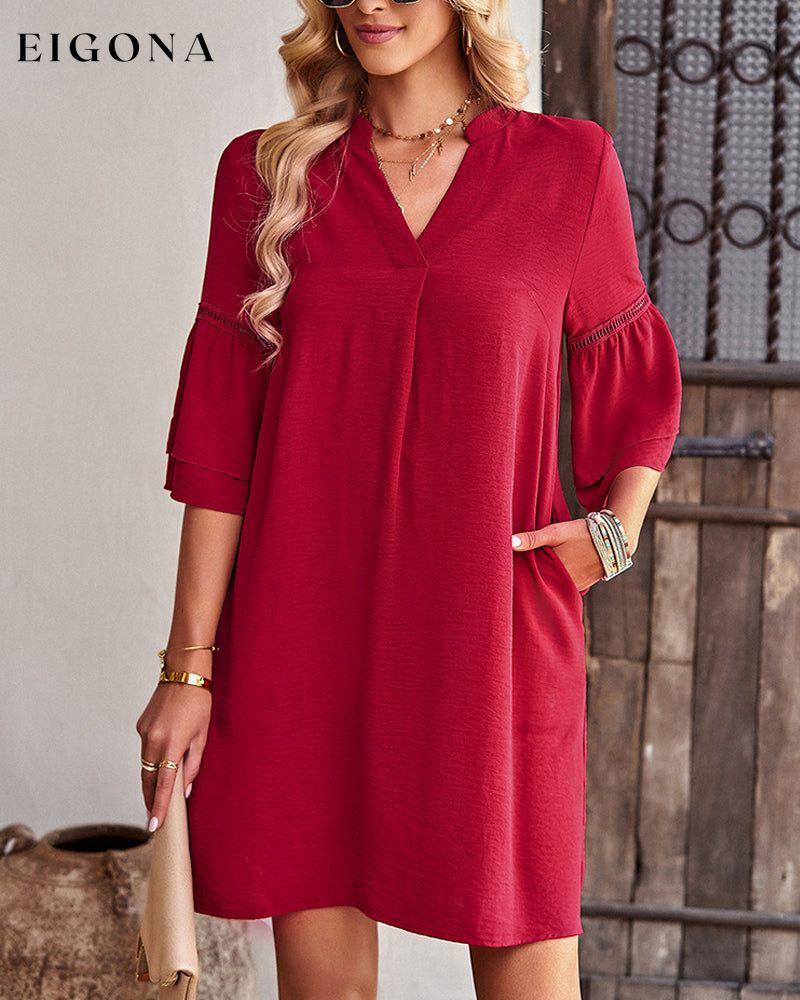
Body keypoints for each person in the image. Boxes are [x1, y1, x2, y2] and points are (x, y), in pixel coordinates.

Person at [135, 0, 683, 996]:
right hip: (304, 636)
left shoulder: (567, 166)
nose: (368, 2)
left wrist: (616, 529)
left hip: (493, 636)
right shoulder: (267, 175)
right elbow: (220, 448)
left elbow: (629, 371)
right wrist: (188, 670)